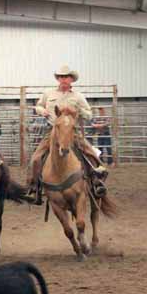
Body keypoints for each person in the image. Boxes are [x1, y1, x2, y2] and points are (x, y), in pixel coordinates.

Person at [27, 65, 108, 205]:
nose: (63, 79)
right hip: (53, 131)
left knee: (92, 154)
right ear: (58, 78)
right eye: (61, 77)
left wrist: (79, 111)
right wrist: (42, 111)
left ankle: (96, 182)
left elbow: (89, 114)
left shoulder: (78, 96)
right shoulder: (49, 94)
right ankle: (35, 187)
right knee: (36, 158)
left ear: (71, 79)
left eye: (66, 77)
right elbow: (38, 106)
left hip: (73, 132)